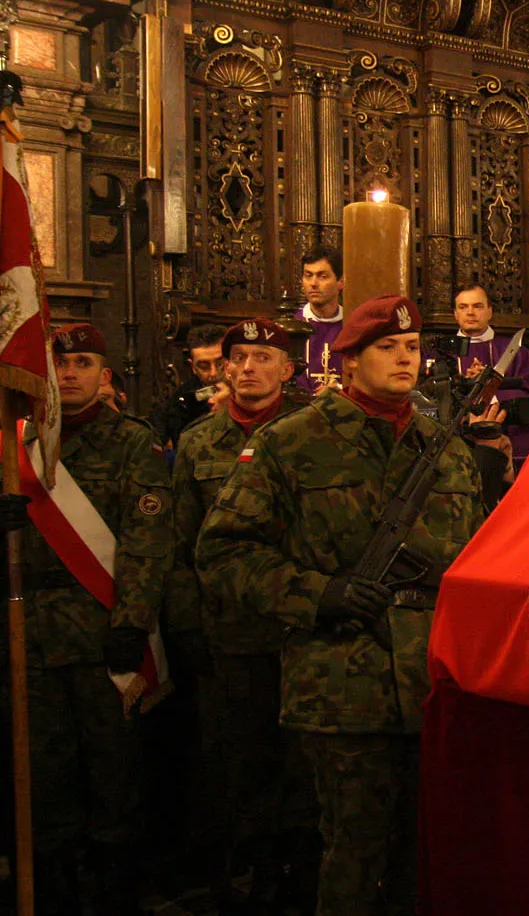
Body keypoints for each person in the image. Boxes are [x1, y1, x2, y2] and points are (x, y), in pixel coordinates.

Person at [196, 296, 484, 916]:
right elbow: (224, 553)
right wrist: (319, 595)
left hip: (431, 679)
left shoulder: (445, 447)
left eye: (412, 348)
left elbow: (476, 557)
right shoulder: (293, 442)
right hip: (342, 680)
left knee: (426, 854)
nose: (405, 358)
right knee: (353, 855)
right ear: (347, 360)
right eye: (387, 348)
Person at [7, 322, 173, 915]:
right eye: (61, 365)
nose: (70, 374)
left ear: (105, 376)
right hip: (28, 639)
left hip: (102, 635)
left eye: (82, 364)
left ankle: (113, 897)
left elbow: (147, 542)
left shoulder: (130, 442)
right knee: (42, 780)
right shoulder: (14, 442)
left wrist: (131, 623)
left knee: (113, 779)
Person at [165, 318, 318, 911]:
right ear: (224, 369)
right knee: (239, 765)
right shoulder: (199, 441)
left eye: (262, 357)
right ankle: (253, 879)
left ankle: (303, 879)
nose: (248, 367)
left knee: (304, 768)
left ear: (287, 369)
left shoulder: (312, 431)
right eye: (239, 358)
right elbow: (180, 542)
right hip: (229, 633)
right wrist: (186, 624)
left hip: (300, 627)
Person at [454, 284, 529, 470]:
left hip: (506, 444)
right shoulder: (442, 354)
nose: (470, 312)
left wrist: (490, 390)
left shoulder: (516, 352)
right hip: (457, 450)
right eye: (463, 307)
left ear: (490, 311)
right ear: (455, 314)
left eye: (477, 306)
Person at [152, 324, 226, 449]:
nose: (213, 373)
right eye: (204, 366)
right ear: (193, 367)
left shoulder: (249, 390)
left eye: (220, 364)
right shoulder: (182, 401)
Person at [296, 247, 345, 393]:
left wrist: (340, 390)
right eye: (308, 276)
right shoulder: (292, 326)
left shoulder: (352, 325)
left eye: (322, 276)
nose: (313, 283)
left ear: (341, 282)